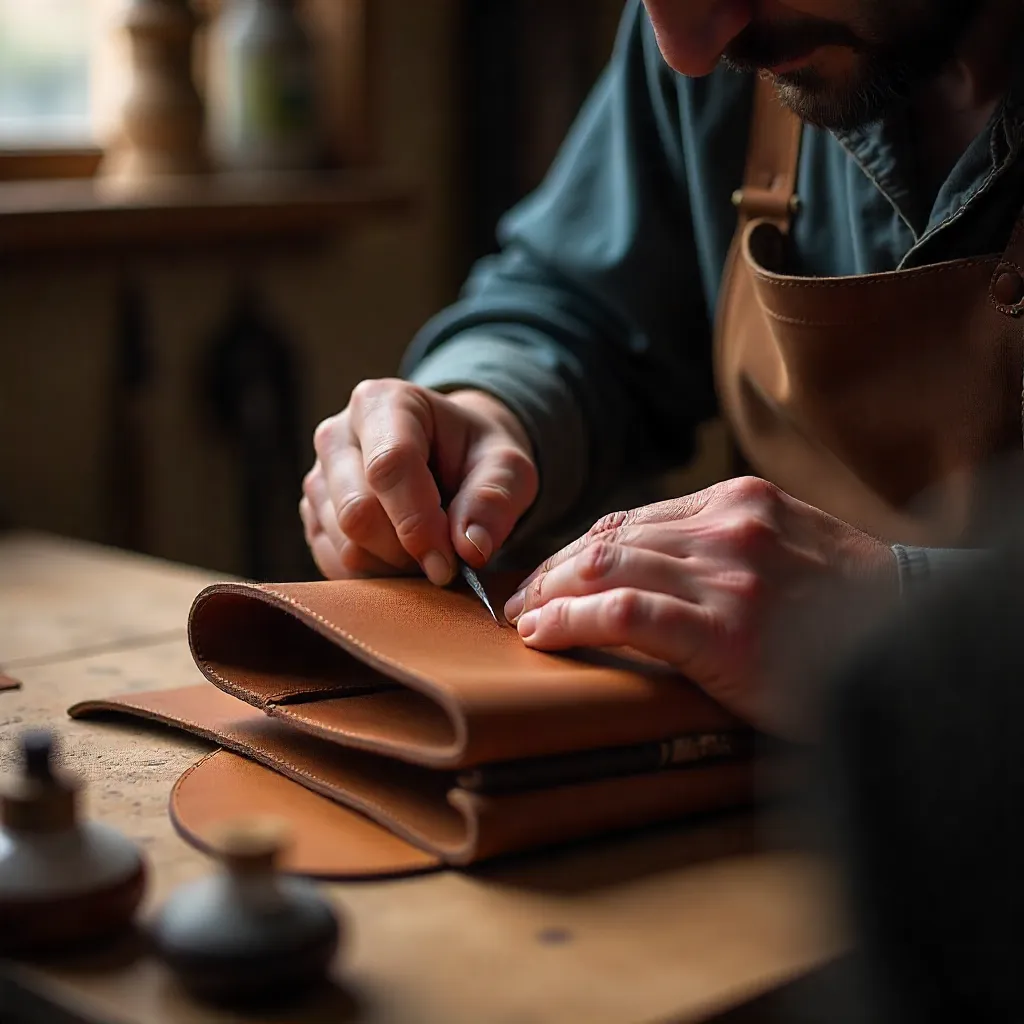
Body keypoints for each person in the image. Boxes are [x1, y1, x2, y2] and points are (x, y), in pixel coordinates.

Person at [300, 0, 1023, 735]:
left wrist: (895, 608)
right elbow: (581, 307)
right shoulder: (724, 26)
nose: (687, 53)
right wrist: (489, 410)